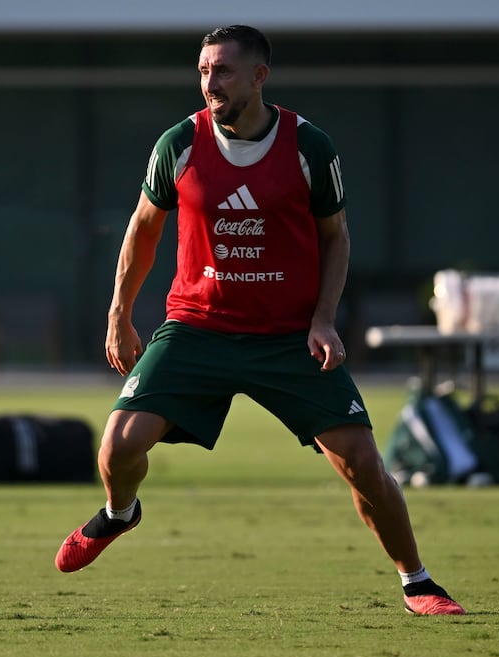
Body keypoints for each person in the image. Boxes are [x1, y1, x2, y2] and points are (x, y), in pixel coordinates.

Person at [55, 24, 465, 616]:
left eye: (222, 70)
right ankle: (121, 513)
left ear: (259, 76)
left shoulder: (309, 147)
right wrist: (119, 314)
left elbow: (336, 238)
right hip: (197, 328)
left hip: (287, 337)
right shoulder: (179, 143)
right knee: (117, 446)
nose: (210, 83)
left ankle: (417, 582)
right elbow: (143, 231)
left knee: (364, 467)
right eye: (202, 70)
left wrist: (324, 320)